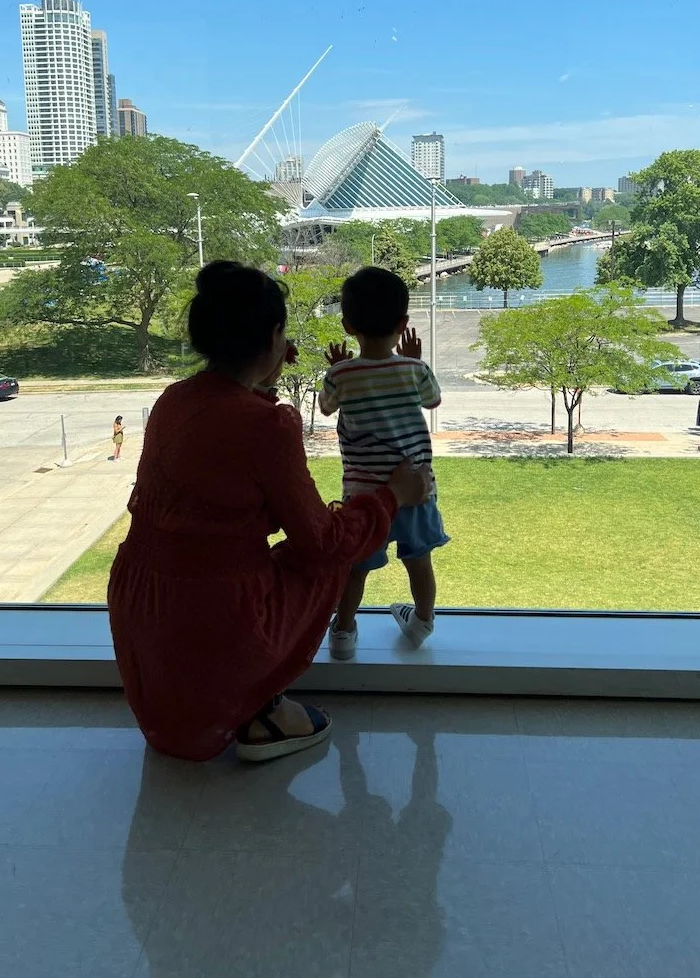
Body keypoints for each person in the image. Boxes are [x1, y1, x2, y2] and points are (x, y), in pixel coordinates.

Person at [107, 260, 429, 764]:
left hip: (141, 603)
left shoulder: (172, 401)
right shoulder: (268, 426)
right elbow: (322, 543)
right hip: (216, 610)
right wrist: (391, 496)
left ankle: (237, 700)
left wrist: (262, 376)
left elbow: (222, 446)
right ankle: (262, 704)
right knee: (325, 561)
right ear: (274, 337)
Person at [319, 266, 448, 658]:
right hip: (416, 490)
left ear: (347, 326)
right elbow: (433, 400)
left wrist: (335, 369)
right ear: (403, 324)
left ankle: (343, 633)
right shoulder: (415, 369)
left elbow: (326, 408)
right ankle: (421, 621)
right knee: (419, 560)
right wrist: (413, 361)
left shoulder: (341, 375)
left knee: (356, 567)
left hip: (364, 498)